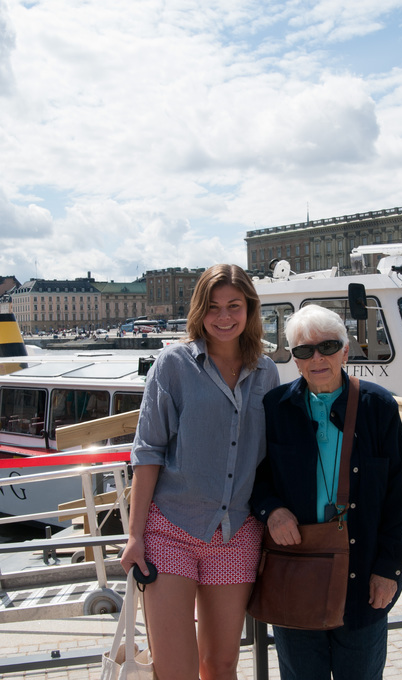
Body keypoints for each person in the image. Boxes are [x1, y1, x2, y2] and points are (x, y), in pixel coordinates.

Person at [121, 264, 280, 680]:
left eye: (234, 306)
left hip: (236, 532)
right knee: (176, 670)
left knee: (222, 664)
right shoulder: (173, 364)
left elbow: (270, 458)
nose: (223, 317)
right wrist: (135, 536)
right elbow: (148, 451)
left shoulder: (267, 372)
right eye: (213, 308)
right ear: (199, 310)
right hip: (172, 529)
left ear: (249, 308)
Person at [251, 304, 402, 680]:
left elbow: (398, 497)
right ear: (294, 360)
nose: (317, 358)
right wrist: (272, 510)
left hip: (363, 577)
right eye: (304, 351)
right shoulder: (275, 409)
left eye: (327, 347)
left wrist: (389, 570)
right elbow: (256, 480)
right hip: (296, 572)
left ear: (345, 350)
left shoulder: (378, 407)